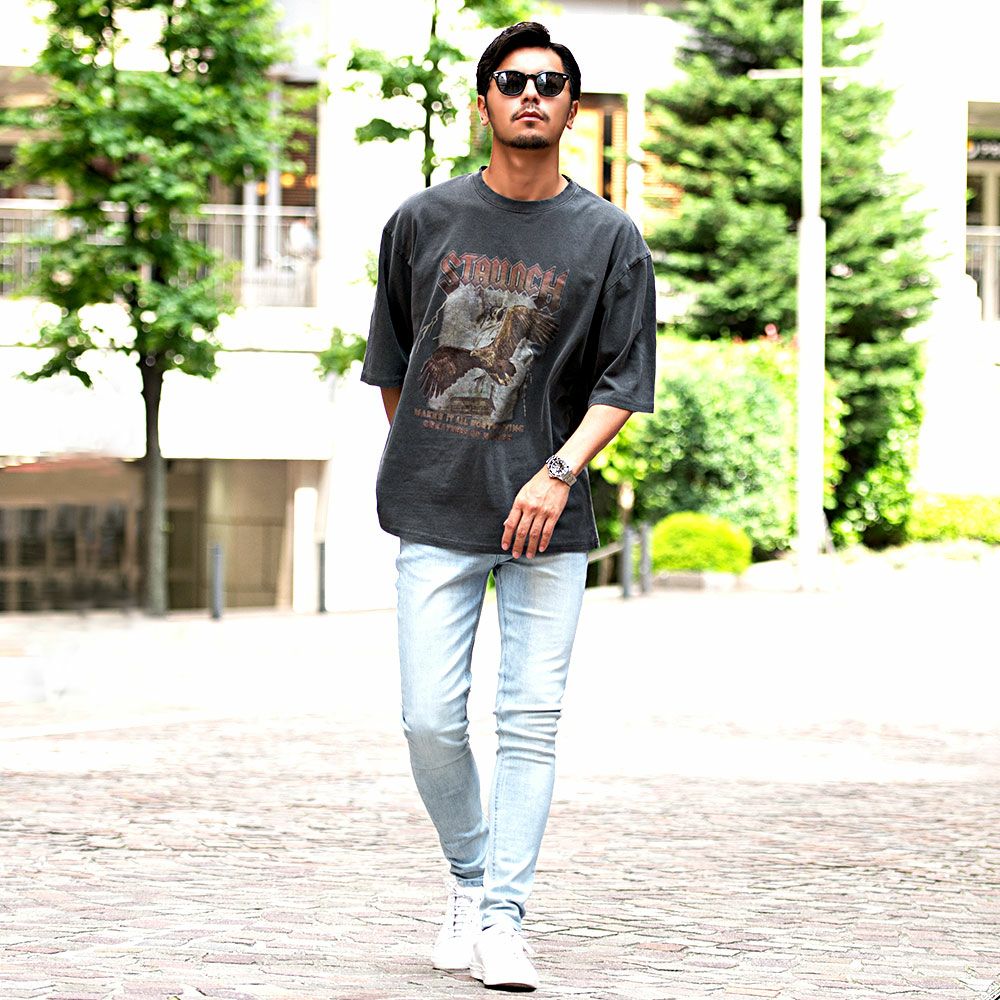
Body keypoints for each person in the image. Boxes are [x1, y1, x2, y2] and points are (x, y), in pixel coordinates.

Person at [360, 21, 656, 992]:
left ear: (572, 107)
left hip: (547, 520)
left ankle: (502, 919)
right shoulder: (421, 220)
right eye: (512, 79)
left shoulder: (608, 237)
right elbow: (395, 367)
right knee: (429, 721)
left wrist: (557, 469)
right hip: (435, 513)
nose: (532, 93)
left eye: (551, 82)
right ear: (484, 99)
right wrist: (441, 458)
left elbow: (624, 380)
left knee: (529, 720)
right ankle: (468, 875)